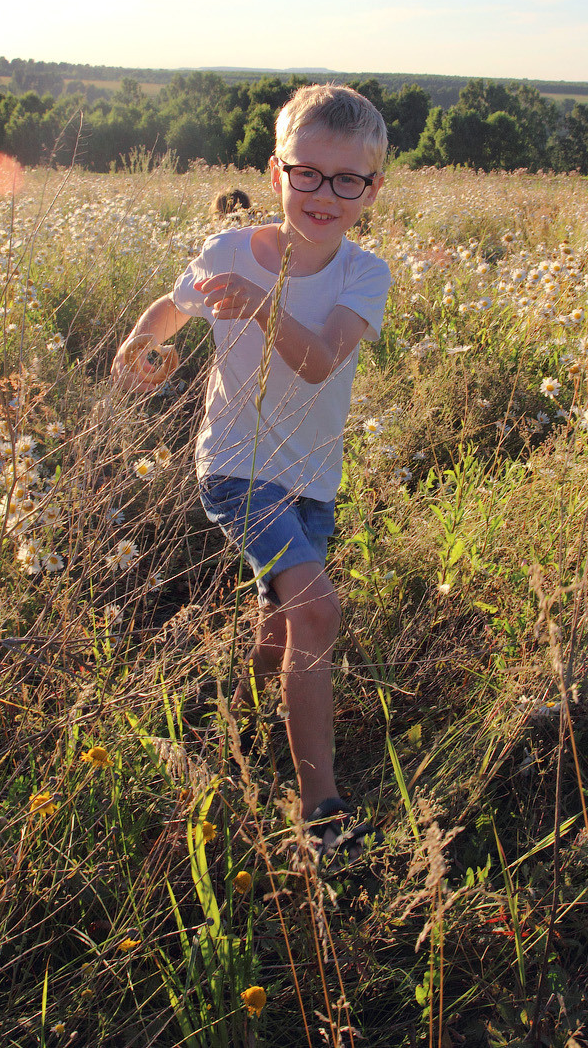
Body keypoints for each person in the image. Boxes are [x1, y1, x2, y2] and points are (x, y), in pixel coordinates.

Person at [112, 85, 391, 858]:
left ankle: (226, 722)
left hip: (312, 481)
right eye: (307, 173)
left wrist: (262, 306)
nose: (324, 195)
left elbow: (320, 360)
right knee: (318, 611)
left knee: (279, 627)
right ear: (277, 172)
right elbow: (172, 308)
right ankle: (322, 814)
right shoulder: (230, 252)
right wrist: (140, 345)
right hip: (237, 470)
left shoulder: (364, 275)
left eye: (347, 179)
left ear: (372, 189)